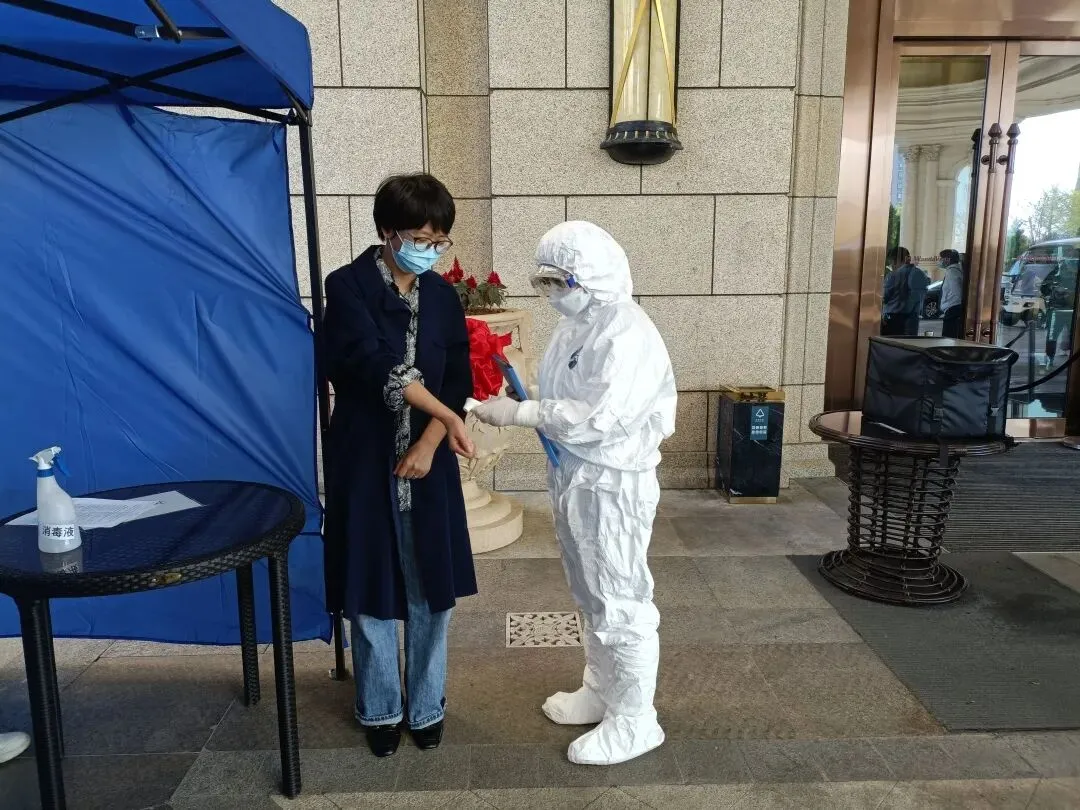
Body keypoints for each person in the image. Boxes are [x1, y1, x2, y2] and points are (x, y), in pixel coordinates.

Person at [471, 221, 678, 766]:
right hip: (575, 475)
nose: (552, 294)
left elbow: (602, 416)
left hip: (613, 481)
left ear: (593, 275)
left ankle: (635, 718)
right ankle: (602, 690)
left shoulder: (627, 332)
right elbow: (564, 393)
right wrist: (522, 394)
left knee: (619, 597)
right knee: (589, 592)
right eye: (543, 282)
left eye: (559, 281)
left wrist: (522, 412)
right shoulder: (576, 327)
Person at [322, 174, 477, 759]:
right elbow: (372, 361)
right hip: (364, 457)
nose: (430, 251)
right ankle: (381, 707)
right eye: (420, 239)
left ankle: (427, 704)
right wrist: (447, 415)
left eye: (439, 241)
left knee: (432, 586)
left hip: (429, 461)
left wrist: (432, 440)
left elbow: (456, 379)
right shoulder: (348, 286)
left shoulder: (442, 296)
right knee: (370, 585)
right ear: (388, 232)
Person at [881, 246, 928, 336]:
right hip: (913, 318)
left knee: (891, 343)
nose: (891, 265)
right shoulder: (920, 274)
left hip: (893, 319)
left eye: (891, 262)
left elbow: (885, 297)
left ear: (895, 260)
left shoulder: (893, 275)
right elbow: (921, 296)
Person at [938, 249, 964, 338]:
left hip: (953, 309)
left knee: (948, 338)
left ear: (947, 259)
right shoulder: (955, 270)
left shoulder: (952, 272)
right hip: (952, 309)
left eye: (941, 258)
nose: (940, 261)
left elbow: (957, 291)